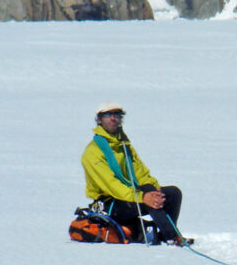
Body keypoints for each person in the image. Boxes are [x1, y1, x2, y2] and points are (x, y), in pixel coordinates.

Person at [81, 102, 190, 245]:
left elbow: (140, 172)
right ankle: (171, 236)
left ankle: (166, 233)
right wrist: (143, 197)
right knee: (148, 195)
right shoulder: (92, 153)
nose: (113, 118)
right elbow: (112, 186)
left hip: (129, 196)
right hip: (110, 203)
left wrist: (154, 189)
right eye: (108, 115)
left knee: (172, 193)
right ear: (100, 120)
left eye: (117, 115)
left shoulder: (124, 145)